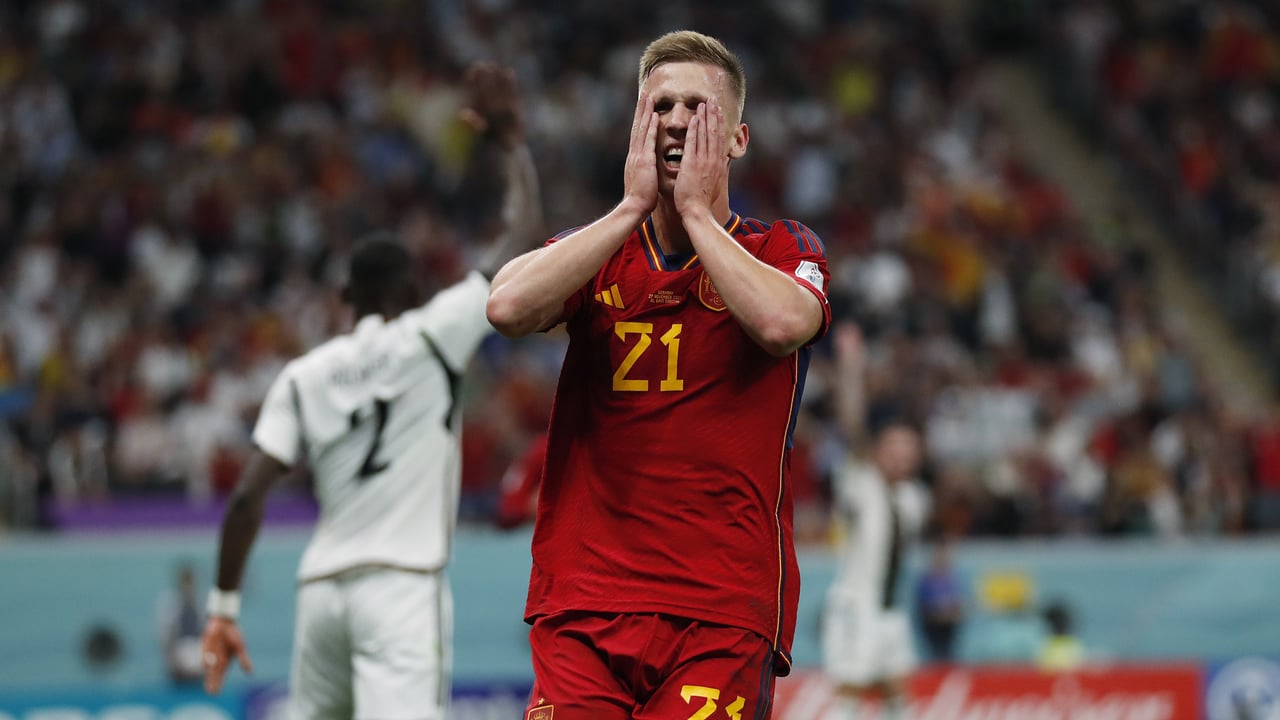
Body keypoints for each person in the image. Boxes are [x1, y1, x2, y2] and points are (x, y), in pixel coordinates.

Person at [485, 29, 831, 720]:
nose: (675, 120)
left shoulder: (781, 247)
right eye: (660, 106)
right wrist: (628, 210)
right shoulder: (599, 252)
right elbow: (506, 307)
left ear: (736, 139)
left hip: (720, 610)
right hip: (584, 604)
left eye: (697, 108)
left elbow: (781, 324)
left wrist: (697, 213)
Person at [199, 61, 542, 720]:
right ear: (411, 292)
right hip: (400, 585)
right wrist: (509, 144)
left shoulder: (304, 374)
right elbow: (518, 241)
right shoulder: (431, 335)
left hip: (321, 590)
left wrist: (222, 608)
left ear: (345, 297)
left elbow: (246, 496)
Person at [822, 323, 930, 720]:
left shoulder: (913, 498)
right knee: (848, 695)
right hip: (856, 605)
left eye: (909, 449)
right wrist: (851, 368)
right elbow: (852, 429)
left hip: (891, 609)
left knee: (896, 694)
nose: (903, 456)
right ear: (879, 451)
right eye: (895, 448)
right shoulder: (862, 484)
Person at [914, 540, 964, 663]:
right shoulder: (927, 580)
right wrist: (939, 611)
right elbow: (924, 606)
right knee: (935, 658)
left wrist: (952, 612)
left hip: (949, 626)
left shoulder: (952, 579)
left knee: (947, 656)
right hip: (933, 627)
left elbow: (958, 604)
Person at [156, 561, 205, 686]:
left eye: (190, 582)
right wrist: (172, 661)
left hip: (199, 658)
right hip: (178, 660)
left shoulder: (201, 604)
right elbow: (165, 638)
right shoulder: (170, 605)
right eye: (185, 582)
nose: (188, 586)